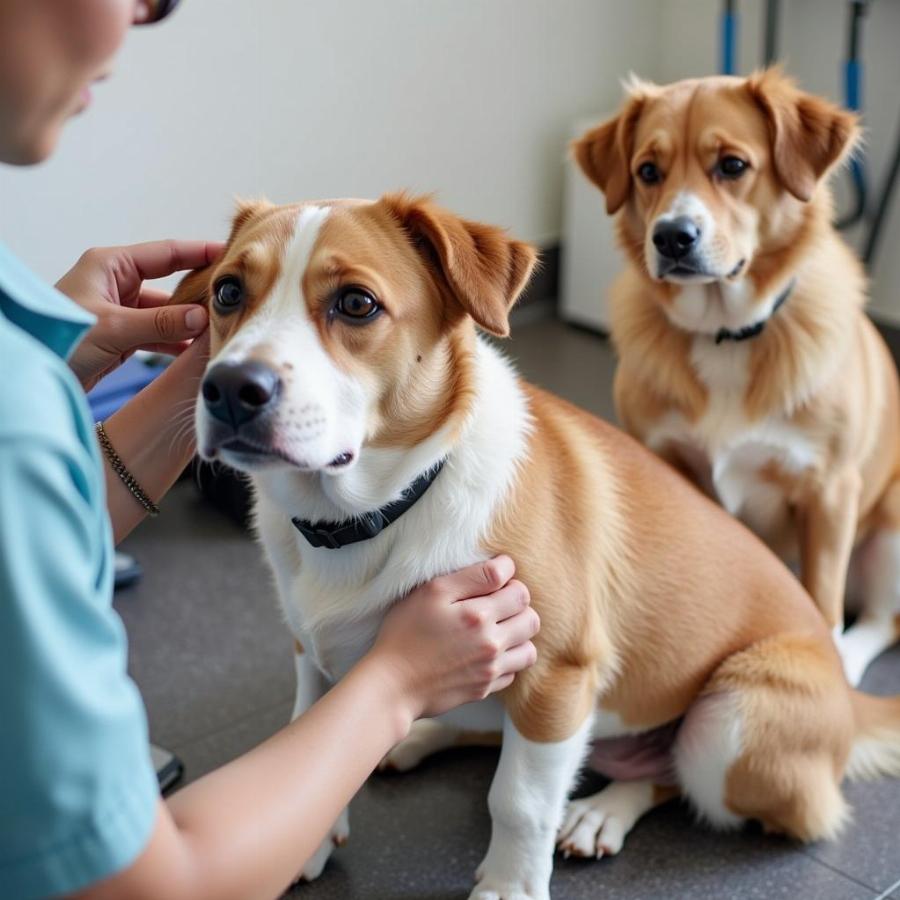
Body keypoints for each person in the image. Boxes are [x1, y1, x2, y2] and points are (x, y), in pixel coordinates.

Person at [0, 3, 540, 898]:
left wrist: (213, 355)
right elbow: (152, 888)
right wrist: (395, 684)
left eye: (355, 305)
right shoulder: (18, 414)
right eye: (231, 300)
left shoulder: (23, 392)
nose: (145, 12)